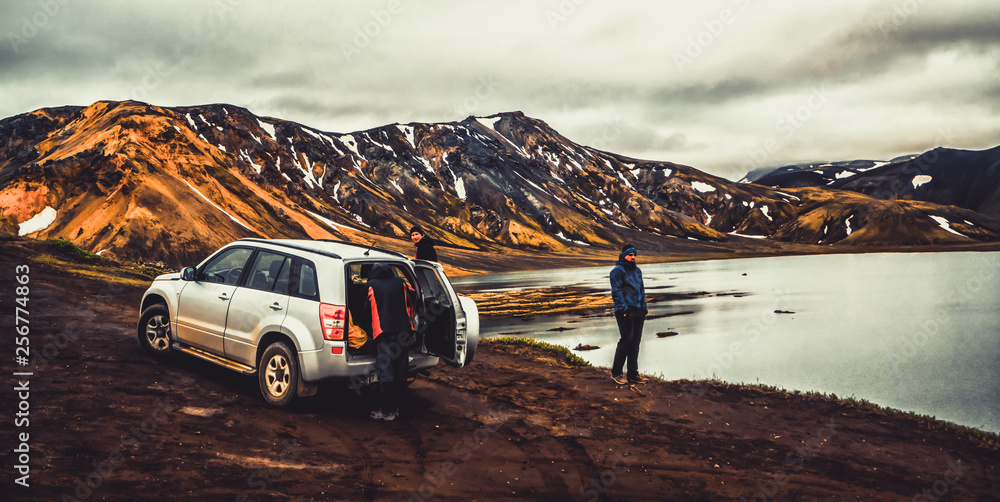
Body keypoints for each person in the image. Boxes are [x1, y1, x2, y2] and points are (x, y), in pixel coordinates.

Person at [366, 263, 416, 421]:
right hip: (403, 331)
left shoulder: (371, 285)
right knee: (401, 371)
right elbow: (409, 303)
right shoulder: (401, 283)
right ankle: (398, 408)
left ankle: (387, 412)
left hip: (384, 332)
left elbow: (363, 307)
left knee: (386, 372)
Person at [609, 244, 647, 385]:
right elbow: (616, 292)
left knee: (635, 343)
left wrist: (644, 308)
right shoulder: (617, 271)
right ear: (624, 255)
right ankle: (616, 373)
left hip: (638, 310)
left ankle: (633, 374)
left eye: (634, 255)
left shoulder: (637, 271)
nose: (633, 257)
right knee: (626, 341)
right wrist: (624, 310)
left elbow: (642, 290)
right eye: (630, 255)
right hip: (625, 311)